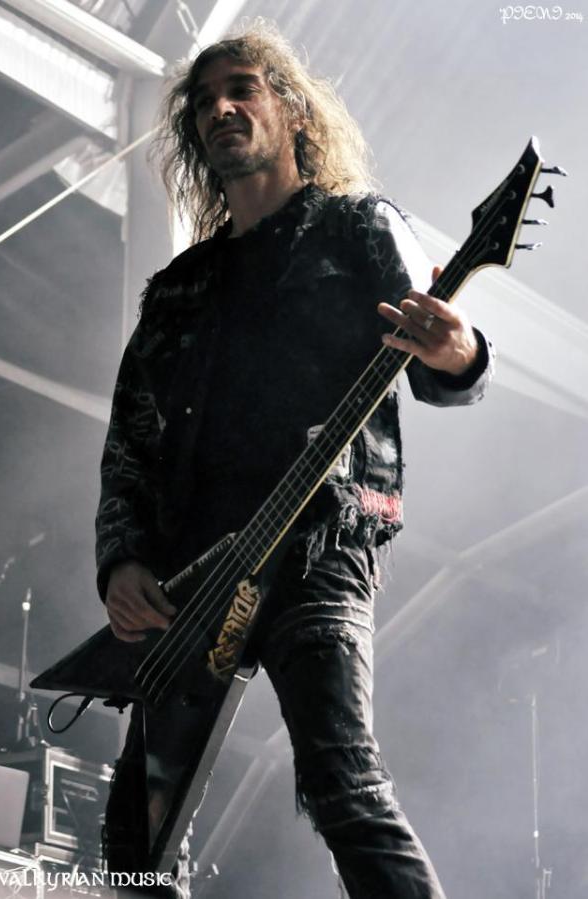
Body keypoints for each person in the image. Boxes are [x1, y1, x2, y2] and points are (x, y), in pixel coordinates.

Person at [96, 20, 494, 899]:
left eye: (243, 88)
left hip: (320, 544)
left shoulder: (360, 230)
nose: (221, 109)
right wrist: (121, 558)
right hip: (194, 572)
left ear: (294, 112)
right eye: (204, 102)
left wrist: (461, 351)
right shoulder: (179, 291)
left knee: (342, 784)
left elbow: (442, 371)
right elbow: (130, 441)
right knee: (133, 833)